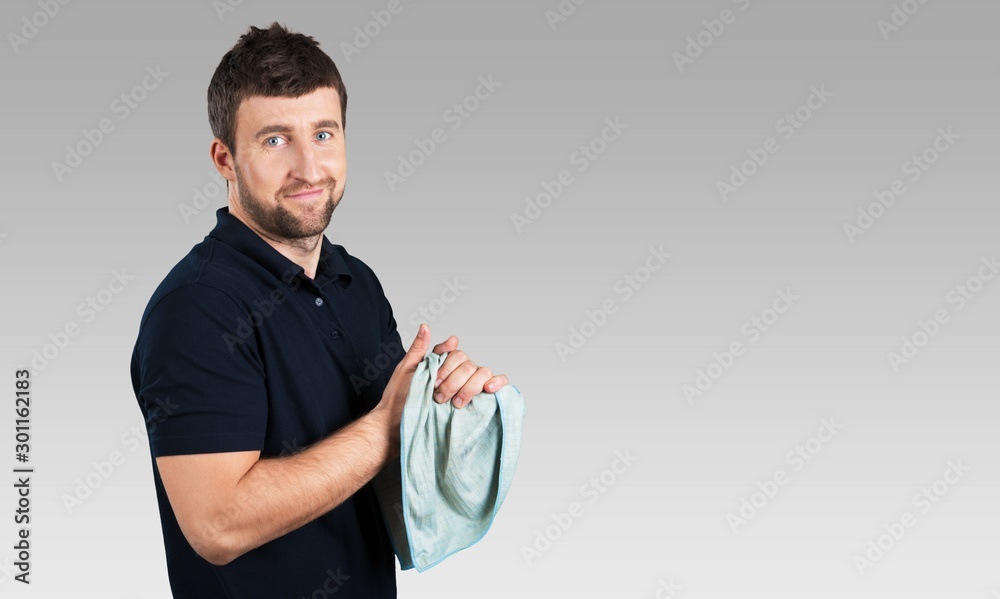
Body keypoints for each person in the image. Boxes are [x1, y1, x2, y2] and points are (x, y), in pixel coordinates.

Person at [129, 21, 509, 598]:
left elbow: (392, 477)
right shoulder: (196, 309)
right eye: (276, 140)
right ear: (225, 159)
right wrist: (389, 424)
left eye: (324, 134)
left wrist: (446, 405)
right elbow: (217, 525)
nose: (309, 168)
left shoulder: (356, 282)